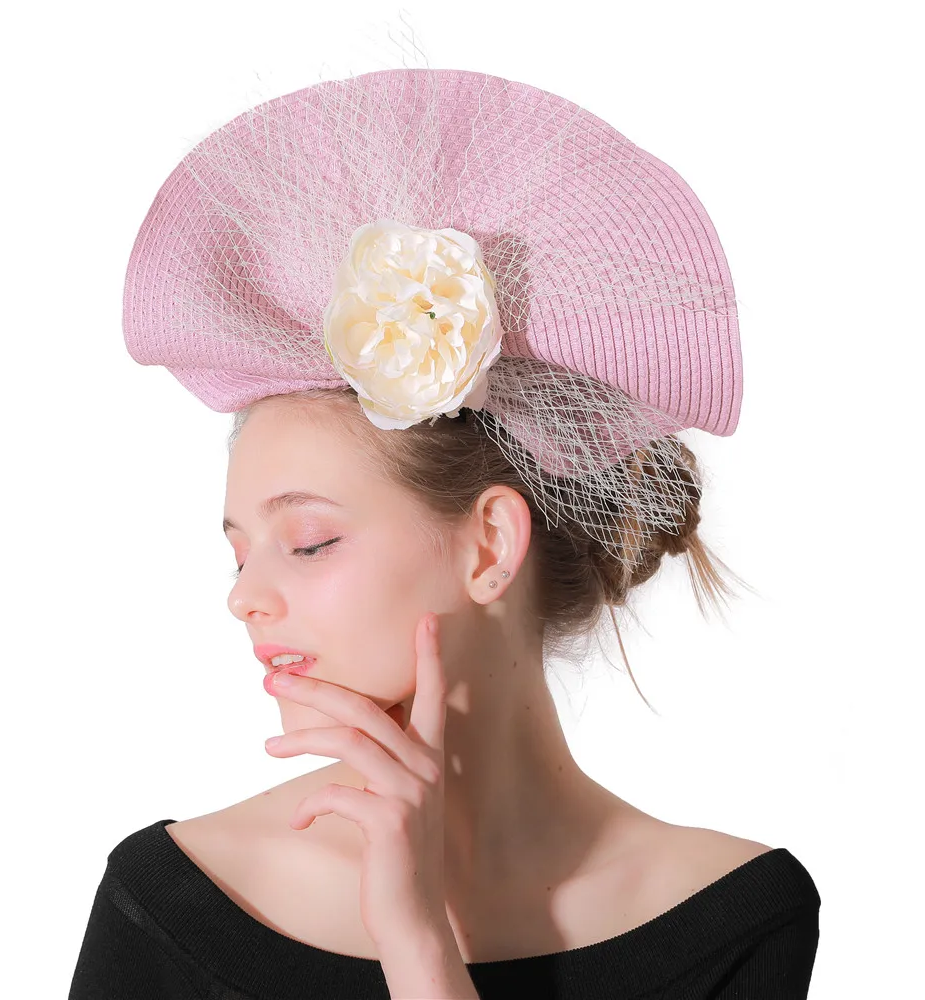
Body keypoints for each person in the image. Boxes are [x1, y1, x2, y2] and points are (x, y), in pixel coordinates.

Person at [69, 55, 820, 1000]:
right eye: (239, 554)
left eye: (309, 543)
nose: (245, 598)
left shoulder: (735, 917)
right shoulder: (174, 902)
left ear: (491, 545)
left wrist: (420, 944)